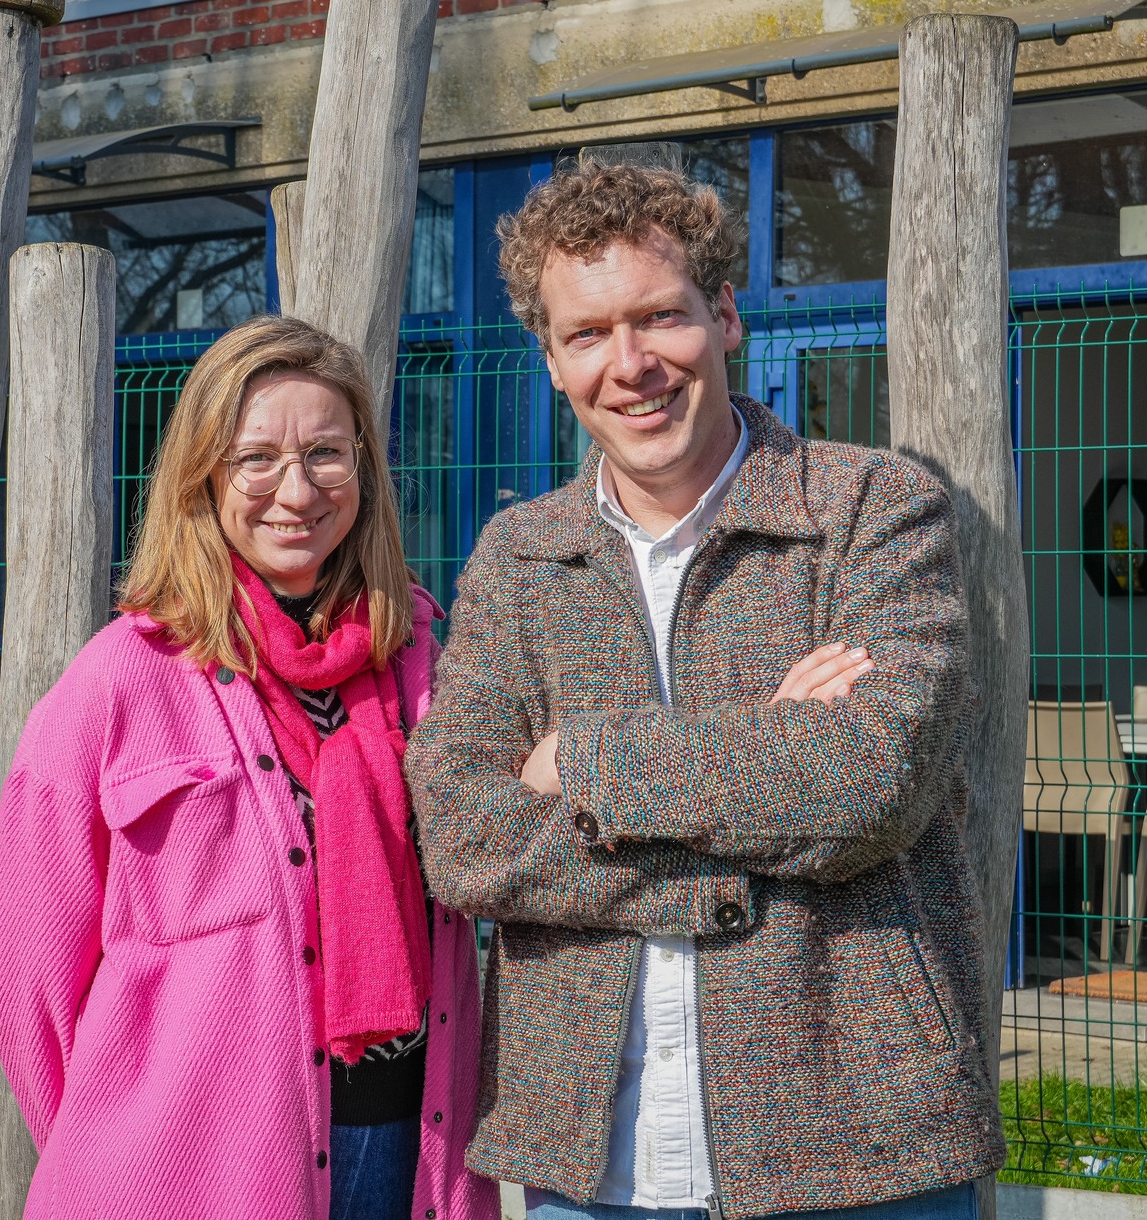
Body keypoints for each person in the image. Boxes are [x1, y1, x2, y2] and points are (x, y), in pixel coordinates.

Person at [406, 161, 1005, 1220]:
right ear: (551, 360)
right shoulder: (519, 557)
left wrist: (580, 760)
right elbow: (460, 834)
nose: (629, 363)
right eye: (587, 334)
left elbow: (868, 784)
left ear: (724, 316)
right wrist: (760, 765)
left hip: (858, 1153)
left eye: (660, 317)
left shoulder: (870, 509)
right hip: (590, 1169)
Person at [0, 316, 500, 1220]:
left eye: (326, 453)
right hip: (193, 1164)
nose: (295, 491)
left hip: (404, 1136)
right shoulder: (121, 678)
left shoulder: (420, 657)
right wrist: (116, 1134)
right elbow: (24, 969)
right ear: (203, 475)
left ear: (363, 470)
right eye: (256, 458)